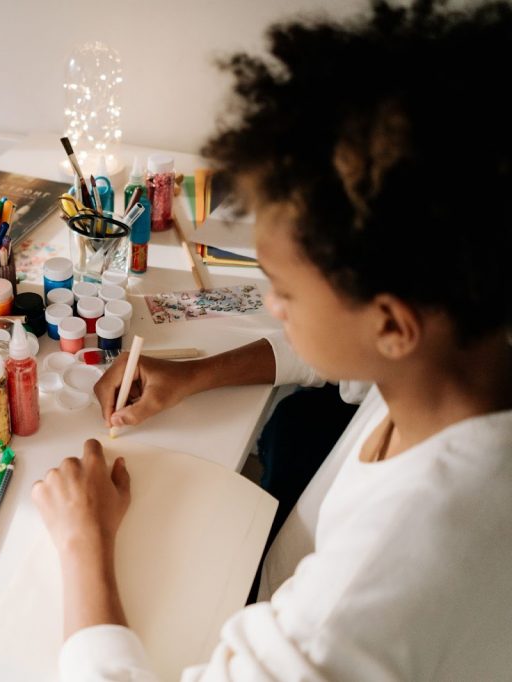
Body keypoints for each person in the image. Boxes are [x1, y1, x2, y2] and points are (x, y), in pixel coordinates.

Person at [32, 1, 512, 678]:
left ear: (391, 323)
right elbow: (346, 371)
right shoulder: (461, 359)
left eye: (282, 289)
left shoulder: (385, 571)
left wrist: (84, 539)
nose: (271, 308)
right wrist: (195, 373)